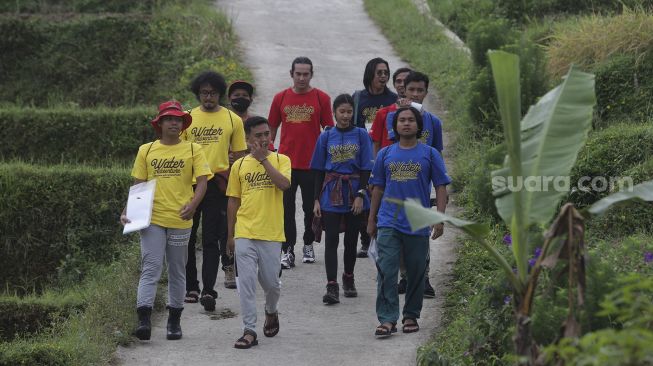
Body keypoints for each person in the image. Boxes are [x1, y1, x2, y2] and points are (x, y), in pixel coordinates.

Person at [121, 100, 213, 341]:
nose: (174, 122)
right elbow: (138, 184)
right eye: (169, 119)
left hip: (181, 219)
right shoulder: (147, 150)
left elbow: (202, 182)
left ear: (183, 124)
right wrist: (128, 211)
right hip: (151, 219)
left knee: (177, 270)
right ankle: (143, 321)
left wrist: (193, 205)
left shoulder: (193, 149)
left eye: (178, 119)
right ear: (159, 123)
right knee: (151, 268)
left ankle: (174, 321)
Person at [367, 106, 450, 338]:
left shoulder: (430, 154)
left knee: (416, 272)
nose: (406, 123)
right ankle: (387, 318)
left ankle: (411, 315)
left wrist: (439, 219)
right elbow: (378, 189)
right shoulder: (385, 153)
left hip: (418, 222)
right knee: (387, 270)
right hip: (388, 221)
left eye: (410, 120)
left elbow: (441, 186)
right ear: (395, 126)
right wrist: (371, 219)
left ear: (418, 125)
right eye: (401, 120)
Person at [182, 71, 248, 311]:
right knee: (187, 238)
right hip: (189, 184)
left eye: (212, 93)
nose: (208, 97)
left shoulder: (233, 120)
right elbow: (178, 151)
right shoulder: (187, 118)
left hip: (217, 184)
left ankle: (208, 290)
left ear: (220, 94)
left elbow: (240, 157)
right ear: (198, 93)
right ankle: (191, 286)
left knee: (211, 238)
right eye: (203, 93)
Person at [226, 116, 291, 349]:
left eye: (267, 134)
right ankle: (249, 330)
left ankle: (271, 310)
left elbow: (284, 185)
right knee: (246, 282)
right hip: (244, 231)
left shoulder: (281, 159)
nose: (264, 139)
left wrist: (264, 161)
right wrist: (230, 235)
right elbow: (233, 201)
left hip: (272, 233)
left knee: (272, 284)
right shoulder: (239, 166)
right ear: (248, 139)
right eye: (258, 136)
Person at [268, 56, 334, 268]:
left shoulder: (321, 98)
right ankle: (287, 249)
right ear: (291, 74)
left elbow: (329, 130)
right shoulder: (280, 98)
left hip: (312, 164)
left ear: (311, 75)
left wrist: (328, 158)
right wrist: (269, 150)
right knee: (285, 208)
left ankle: (308, 244)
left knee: (310, 208)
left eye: (306, 74)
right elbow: (271, 128)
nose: (302, 78)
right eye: (298, 74)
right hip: (285, 163)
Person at [385, 71, 445, 298]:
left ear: (426, 92)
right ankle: (404, 276)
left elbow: (437, 154)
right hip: (398, 180)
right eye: (412, 90)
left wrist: (441, 186)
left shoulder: (434, 122)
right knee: (398, 230)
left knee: (420, 231)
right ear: (404, 91)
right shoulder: (397, 117)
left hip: (421, 182)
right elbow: (393, 143)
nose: (416, 94)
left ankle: (424, 277)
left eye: (421, 90)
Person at [310, 94, 373, 304]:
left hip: (354, 191)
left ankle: (348, 277)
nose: (345, 116)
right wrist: (316, 200)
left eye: (349, 111)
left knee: (351, 239)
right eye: (341, 111)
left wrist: (361, 195)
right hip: (330, 192)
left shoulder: (361, 135)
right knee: (331, 240)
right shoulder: (326, 136)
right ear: (335, 113)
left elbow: (365, 167)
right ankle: (331, 285)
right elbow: (318, 169)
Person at [351, 58, 398, 262]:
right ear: (370, 73)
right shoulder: (358, 98)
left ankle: (381, 237)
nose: (383, 76)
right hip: (363, 151)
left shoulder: (393, 99)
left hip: (384, 153)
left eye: (386, 72)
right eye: (379, 72)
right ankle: (364, 238)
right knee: (364, 193)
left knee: (381, 194)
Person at [369, 67, 412, 156]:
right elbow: (376, 144)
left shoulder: (422, 114)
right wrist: (378, 167)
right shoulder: (382, 113)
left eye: (406, 81)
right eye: (398, 81)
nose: (402, 84)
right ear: (394, 85)